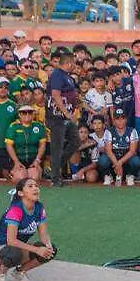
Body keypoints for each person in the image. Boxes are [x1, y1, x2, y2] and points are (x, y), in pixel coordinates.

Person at [0, 178, 56, 281]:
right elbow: (11, 241)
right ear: (21, 193)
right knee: (14, 252)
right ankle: (1, 273)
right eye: (30, 186)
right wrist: (36, 250)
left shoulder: (39, 207)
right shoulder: (16, 210)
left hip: (16, 247)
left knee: (50, 250)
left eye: (36, 185)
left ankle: (19, 272)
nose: (35, 188)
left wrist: (48, 246)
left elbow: (44, 235)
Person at [46, 51, 80, 188]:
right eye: (74, 63)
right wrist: (66, 112)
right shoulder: (57, 75)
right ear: (68, 63)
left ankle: (55, 167)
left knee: (75, 142)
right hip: (57, 117)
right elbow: (55, 94)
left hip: (65, 117)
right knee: (57, 147)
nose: (75, 66)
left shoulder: (66, 76)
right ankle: (55, 179)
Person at [4, 104, 47, 183]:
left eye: (30, 112)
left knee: (34, 177)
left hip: (33, 159)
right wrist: (16, 162)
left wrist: (37, 160)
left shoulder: (39, 126)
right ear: (19, 114)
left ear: (33, 114)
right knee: (20, 178)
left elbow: (42, 145)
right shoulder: (13, 126)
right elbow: (9, 145)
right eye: (24, 112)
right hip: (18, 159)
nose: (27, 114)